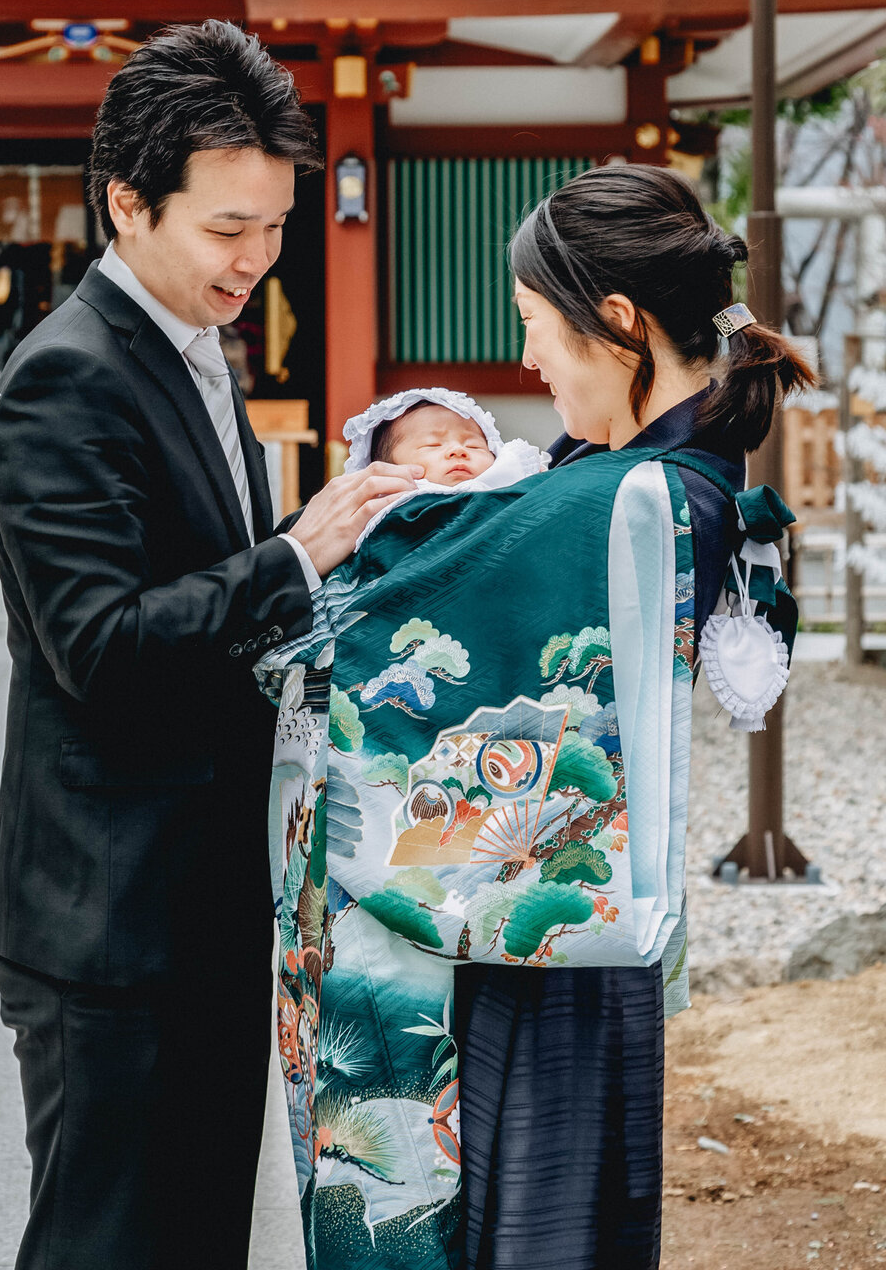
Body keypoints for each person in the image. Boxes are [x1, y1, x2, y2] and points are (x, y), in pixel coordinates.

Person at [255, 163, 810, 1270]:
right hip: (565, 938)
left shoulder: (610, 500)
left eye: (533, 327)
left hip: (512, 954)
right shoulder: (661, 475)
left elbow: (345, 628)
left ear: (617, 322)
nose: (525, 362)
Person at [0, 20, 424, 1270]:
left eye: (275, 225)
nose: (258, 260)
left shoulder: (191, 351)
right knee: (106, 1246)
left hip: (203, 896)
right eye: (228, 229)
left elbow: (207, 585)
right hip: (107, 920)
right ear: (129, 203)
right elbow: (102, 645)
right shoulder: (67, 375)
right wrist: (295, 555)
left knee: (196, 1240)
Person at [342, 387, 547, 543]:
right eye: (433, 445)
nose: (458, 450)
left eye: (473, 445)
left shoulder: (506, 480)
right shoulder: (392, 508)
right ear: (387, 469)